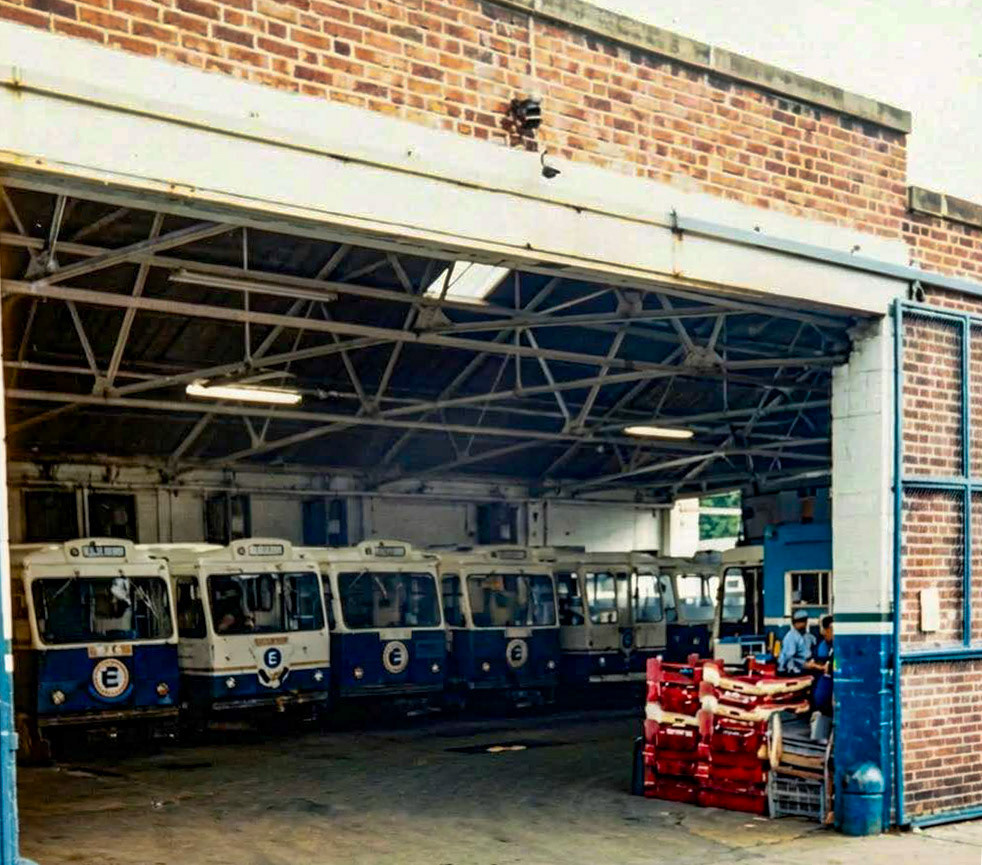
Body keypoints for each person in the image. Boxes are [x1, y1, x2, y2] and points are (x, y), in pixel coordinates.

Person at [809, 615, 834, 717]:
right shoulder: (822, 646)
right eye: (830, 630)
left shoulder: (837, 646)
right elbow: (811, 662)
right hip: (821, 686)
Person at [777, 609, 816, 675]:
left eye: (804, 621)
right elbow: (789, 658)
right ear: (794, 623)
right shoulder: (791, 636)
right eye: (800, 622)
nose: (803, 624)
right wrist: (804, 664)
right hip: (792, 670)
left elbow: (813, 650)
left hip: (808, 667)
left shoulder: (809, 637)